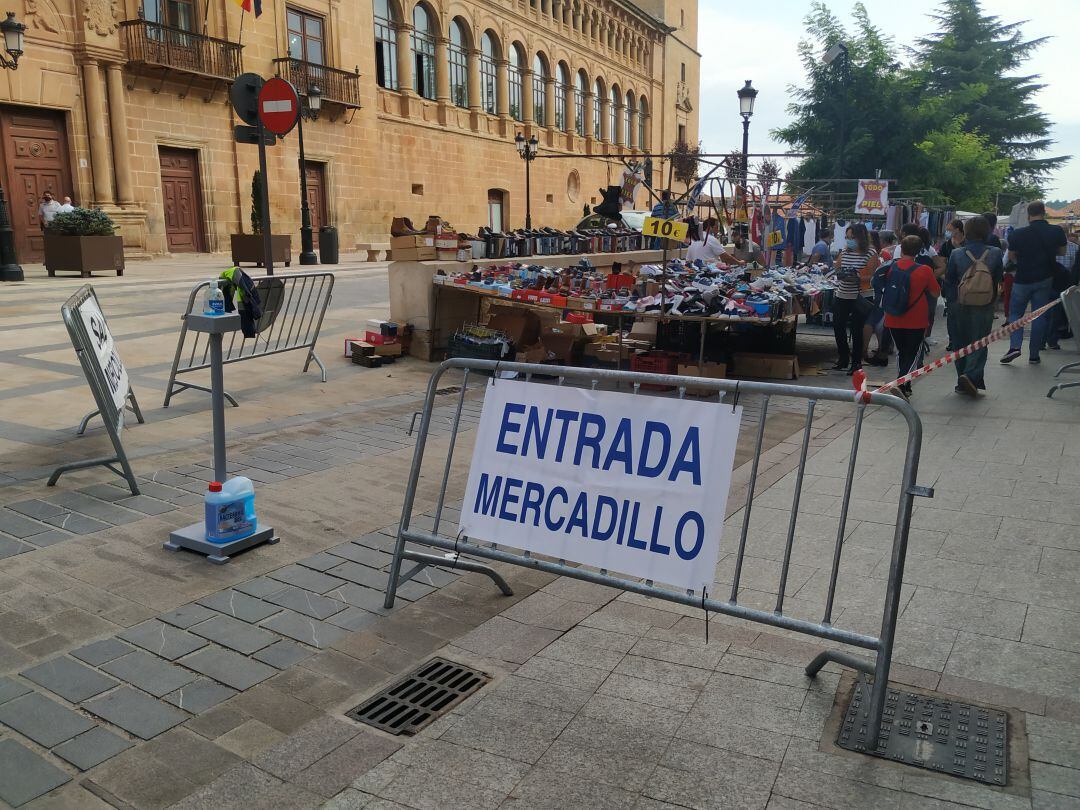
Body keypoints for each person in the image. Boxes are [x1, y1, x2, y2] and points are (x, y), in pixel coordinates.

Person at [1000, 201, 1067, 364]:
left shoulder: (1018, 233)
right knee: (1039, 315)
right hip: (1045, 278)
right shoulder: (1056, 230)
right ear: (1044, 213)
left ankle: (1015, 347)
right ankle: (1034, 354)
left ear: (1028, 215)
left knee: (1016, 313)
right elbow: (1062, 252)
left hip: (1022, 278)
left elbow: (1011, 256)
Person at [944, 215, 1003, 395]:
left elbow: (949, 280)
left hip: (959, 303)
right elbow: (998, 277)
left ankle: (962, 378)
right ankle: (971, 376)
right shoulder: (994, 253)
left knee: (959, 341)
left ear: (966, 232)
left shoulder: (956, 253)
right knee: (979, 342)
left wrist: (952, 302)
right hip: (984, 304)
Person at [884, 235, 941, 397]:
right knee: (914, 352)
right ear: (919, 251)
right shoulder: (924, 270)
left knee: (901, 351)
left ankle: (904, 384)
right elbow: (936, 292)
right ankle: (902, 384)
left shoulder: (890, 267)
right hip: (916, 318)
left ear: (901, 249)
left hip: (893, 317)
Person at [831, 223, 880, 374]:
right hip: (842, 293)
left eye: (852, 237)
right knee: (838, 326)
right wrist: (842, 274)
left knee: (856, 329)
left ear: (860, 237)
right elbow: (838, 267)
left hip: (859, 296)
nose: (849, 240)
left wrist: (857, 277)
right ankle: (843, 357)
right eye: (847, 237)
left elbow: (872, 276)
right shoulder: (845, 251)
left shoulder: (870, 253)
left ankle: (856, 362)